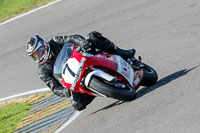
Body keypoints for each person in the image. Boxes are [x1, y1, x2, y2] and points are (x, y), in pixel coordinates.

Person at [26, 31, 135, 111]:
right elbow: (54, 87)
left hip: (82, 58)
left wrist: (82, 43)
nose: (38, 56)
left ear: (44, 45)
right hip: (74, 81)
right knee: (77, 105)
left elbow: (72, 38)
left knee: (93, 36)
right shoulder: (42, 71)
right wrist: (64, 91)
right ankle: (98, 89)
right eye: (34, 55)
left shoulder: (55, 41)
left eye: (38, 52)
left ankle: (121, 53)